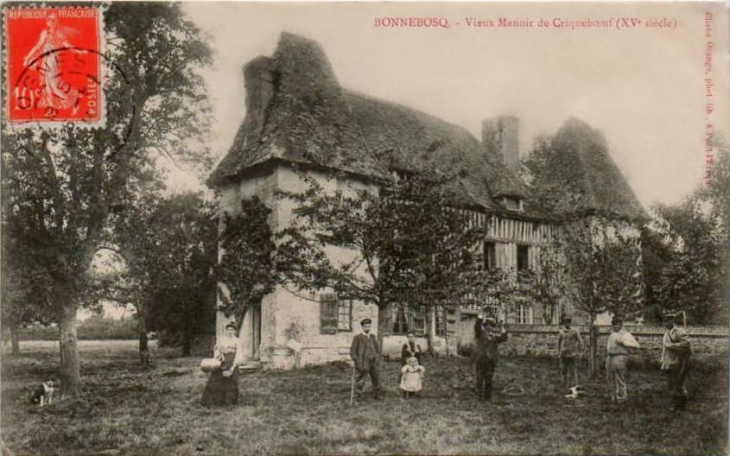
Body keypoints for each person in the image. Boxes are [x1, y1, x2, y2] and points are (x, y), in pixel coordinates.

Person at [201, 322, 243, 407]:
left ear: (234, 331)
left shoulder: (237, 341)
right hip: (222, 362)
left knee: (230, 382)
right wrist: (220, 358)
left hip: (232, 362)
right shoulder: (222, 340)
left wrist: (233, 367)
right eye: (228, 330)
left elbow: (238, 354)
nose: (230, 332)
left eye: (232, 330)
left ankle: (229, 402)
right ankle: (215, 401)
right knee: (216, 380)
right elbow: (217, 350)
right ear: (226, 331)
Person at [605, 316, 640, 404]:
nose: (615, 326)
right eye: (613, 325)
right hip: (610, 357)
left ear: (621, 325)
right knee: (610, 377)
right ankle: (613, 396)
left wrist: (624, 342)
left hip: (620, 357)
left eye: (617, 325)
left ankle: (621, 398)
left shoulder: (625, 334)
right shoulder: (612, 334)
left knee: (619, 377)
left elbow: (636, 345)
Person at [474, 313, 508, 402]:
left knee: (489, 380)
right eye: (487, 325)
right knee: (480, 380)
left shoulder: (495, 336)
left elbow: (504, 337)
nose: (489, 329)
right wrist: (480, 317)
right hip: (481, 359)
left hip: (490, 360)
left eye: (491, 325)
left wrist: (501, 327)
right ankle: (479, 398)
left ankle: (487, 398)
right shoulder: (480, 333)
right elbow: (477, 326)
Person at [661, 313, 691, 411]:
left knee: (678, 384)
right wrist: (663, 361)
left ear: (672, 321)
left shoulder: (680, 331)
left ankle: (682, 405)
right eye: (664, 321)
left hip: (678, 362)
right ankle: (675, 404)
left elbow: (686, 344)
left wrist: (671, 346)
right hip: (668, 362)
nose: (665, 323)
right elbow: (664, 349)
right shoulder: (666, 333)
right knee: (670, 384)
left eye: (667, 321)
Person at [350, 318, 382, 399]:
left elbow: (377, 349)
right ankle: (357, 395)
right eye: (365, 326)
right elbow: (353, 352)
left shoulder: (372, 337)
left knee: (376, 379)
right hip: (363, 362)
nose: (367, 328)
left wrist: (377, 357)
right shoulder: (358, 338)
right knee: (360, 380)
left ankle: (377, 395)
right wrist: (357, 361)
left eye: (369, 326)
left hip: (373, 362)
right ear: (362, 327)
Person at [557, 316, 585, 386]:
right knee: (564, 370)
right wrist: (559, 352)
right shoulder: (561, 332)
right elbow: (559, 342)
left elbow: (580, 342)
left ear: (570, 323)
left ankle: (575, 385)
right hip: (563, 354)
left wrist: (580, 352)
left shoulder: (575, 331)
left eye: (568, 322)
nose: (567, 324)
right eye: (565, 322)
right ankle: (564, 384)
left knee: (573, 371)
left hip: (572, 354)